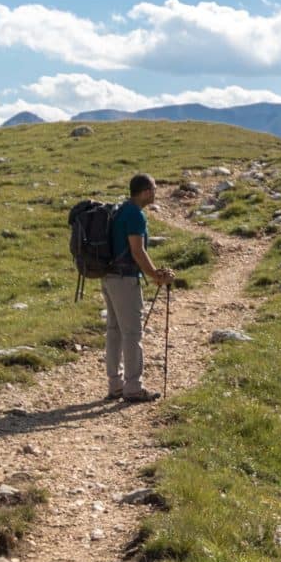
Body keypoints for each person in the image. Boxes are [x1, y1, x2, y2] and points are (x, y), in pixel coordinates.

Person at [103, 172, 174, 402]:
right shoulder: (135, 214)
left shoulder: (122, 210)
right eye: (154, 188)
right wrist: (155, 275)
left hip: (109, 277)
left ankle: (115, 384)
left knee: (114, 332)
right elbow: (137, 250)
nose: (156, 193)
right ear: (145, 191)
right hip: (125, 280)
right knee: (132, 333)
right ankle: (133, 387)